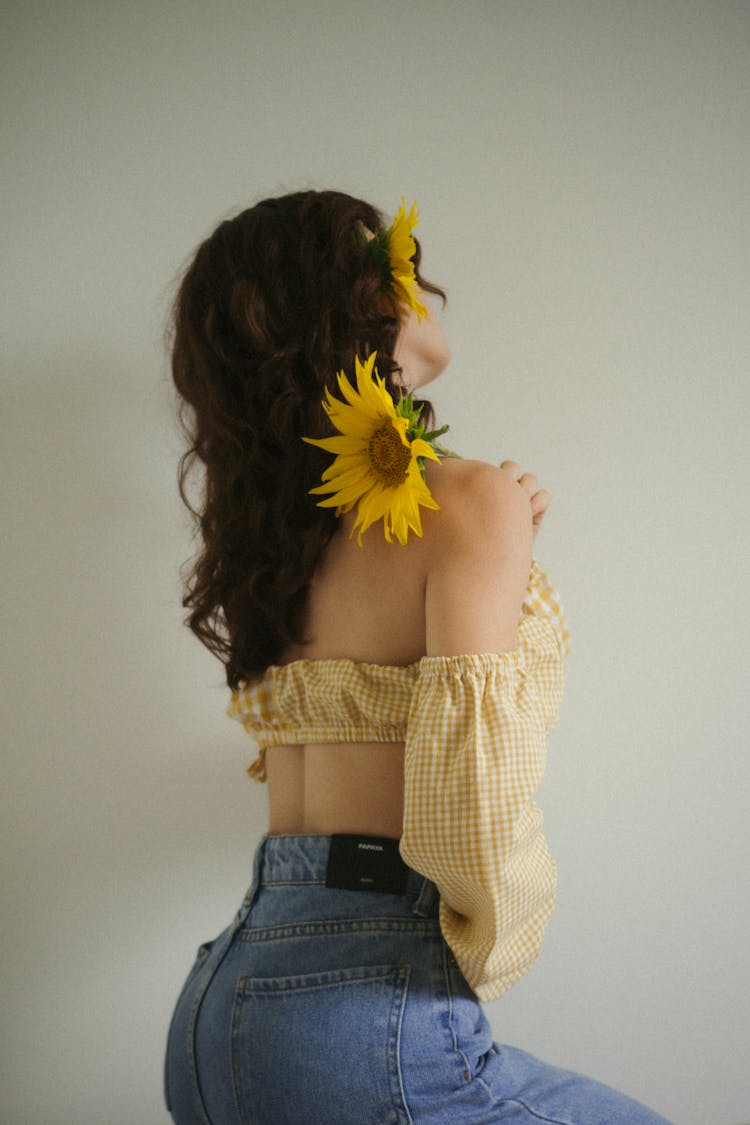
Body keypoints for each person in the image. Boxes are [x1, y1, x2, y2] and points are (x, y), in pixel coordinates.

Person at [163, 191, 671, 1124]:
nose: (414, 275)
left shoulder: (276, 548)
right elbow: (471, 800)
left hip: (218, 1008)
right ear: (341, 306)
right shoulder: (469, 498)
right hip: (361, 1009)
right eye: (388, 263)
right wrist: (487, 942)